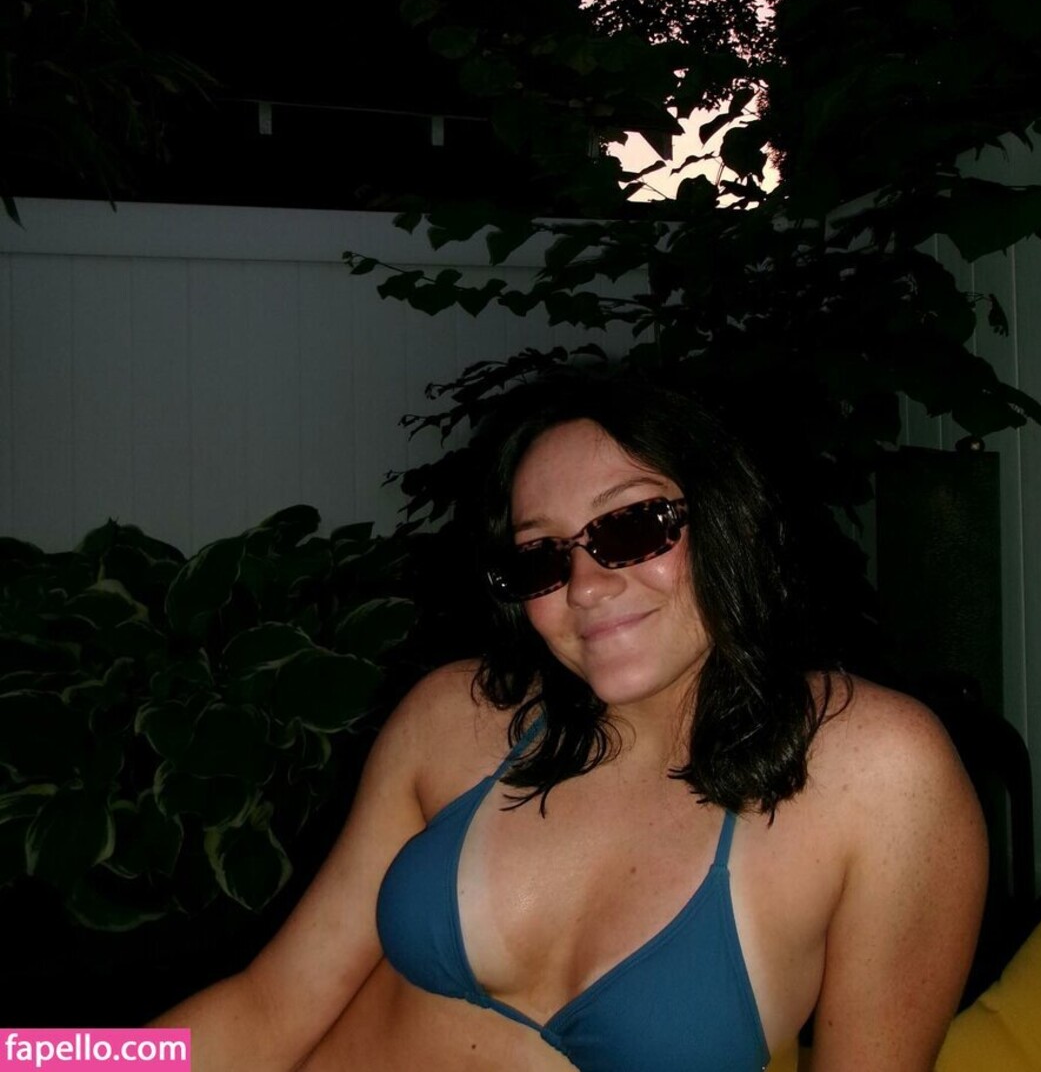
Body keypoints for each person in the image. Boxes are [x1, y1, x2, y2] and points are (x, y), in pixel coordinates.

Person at [156, 375, 988, 1071]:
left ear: (726, 516)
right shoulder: (457, 718)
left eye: (631, 526)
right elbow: (266, 1009)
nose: (585, 585)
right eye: (542, 556)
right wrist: (76, 1058)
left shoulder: (880, 775)